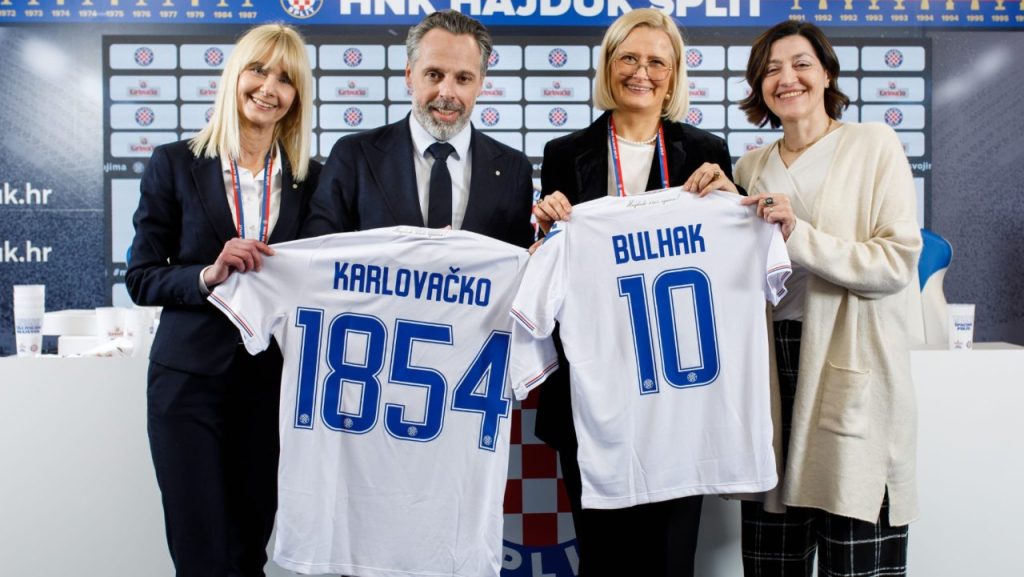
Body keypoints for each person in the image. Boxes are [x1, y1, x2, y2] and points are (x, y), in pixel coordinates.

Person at [530, 9, 739, 576]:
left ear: (674, 76)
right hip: (593, 391)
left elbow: (730, 261)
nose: (641, 72)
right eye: (628, 57)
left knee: (670, 560)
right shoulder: (564, 153)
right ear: (607, 65)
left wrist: (733, 197)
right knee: (603, 557)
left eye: (656, 62)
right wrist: (545, 230)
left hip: (678, 392)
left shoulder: (706, 152)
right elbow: (551, 266)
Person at [125, 24, 321, 577]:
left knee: (247, 552)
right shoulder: (174, 163)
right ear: (235, 75)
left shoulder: (313, 179)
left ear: (297, 96)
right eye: (258, 70)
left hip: (272, 387)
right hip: (188, 386)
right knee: (200, 556)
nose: (269, 88)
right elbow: (141, 277)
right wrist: (207, 275)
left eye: (285, 79)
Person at [734, 20, 922, 577]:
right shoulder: (750, 168)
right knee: (773, 556)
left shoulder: (872, 145)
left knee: (854, 545)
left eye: (801, 64)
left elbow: (896, 262)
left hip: (848, 364)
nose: (786, 78)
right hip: (772, 373)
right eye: (771, 69)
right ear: (759, 86)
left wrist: (800, 234)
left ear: (827, 74)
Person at [302, 9, 534, 248]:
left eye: (463, 78)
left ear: (481, 84)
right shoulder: (354, 155)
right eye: (434, 75)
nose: (447, 92)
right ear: (409, 75)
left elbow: (521, 262)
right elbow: (315, 251)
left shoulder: (514, 170)